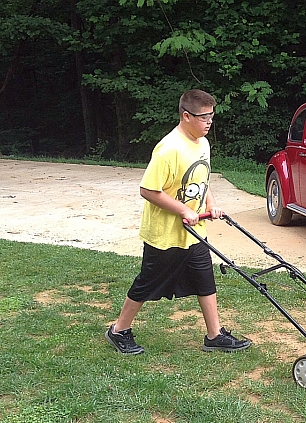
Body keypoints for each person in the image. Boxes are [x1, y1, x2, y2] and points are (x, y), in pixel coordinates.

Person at [105, 89, 251, 355]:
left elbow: (202, 180)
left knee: (205, 279)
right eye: (204, 117)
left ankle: (214, 335)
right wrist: (183, 210)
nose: (209, 122)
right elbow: (148, 190)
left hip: (194, 232)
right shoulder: (168, 149)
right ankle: (118, 330)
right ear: (186, 116)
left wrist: (211, 205)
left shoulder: (202, 143)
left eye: (212, 116)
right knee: (147, 282)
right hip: (165, 234)